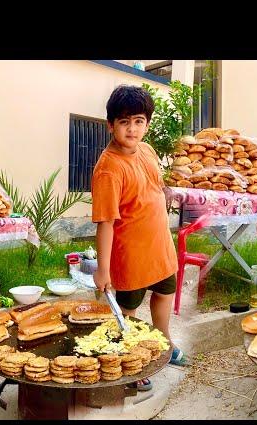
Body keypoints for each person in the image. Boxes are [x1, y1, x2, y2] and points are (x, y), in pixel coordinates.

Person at [91, 85, 188, 391]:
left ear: (147, 122)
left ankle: (163, 343)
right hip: (130, 255)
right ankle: (133, 358)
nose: (132, 129)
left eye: (138, 121)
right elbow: (105, 223)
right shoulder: (108, 169)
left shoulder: (146, 151)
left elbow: (154, 187)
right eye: (123, 122)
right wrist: (103, 269)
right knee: (129, 312)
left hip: (160, 247)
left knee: (164, 294)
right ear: (110, 124)